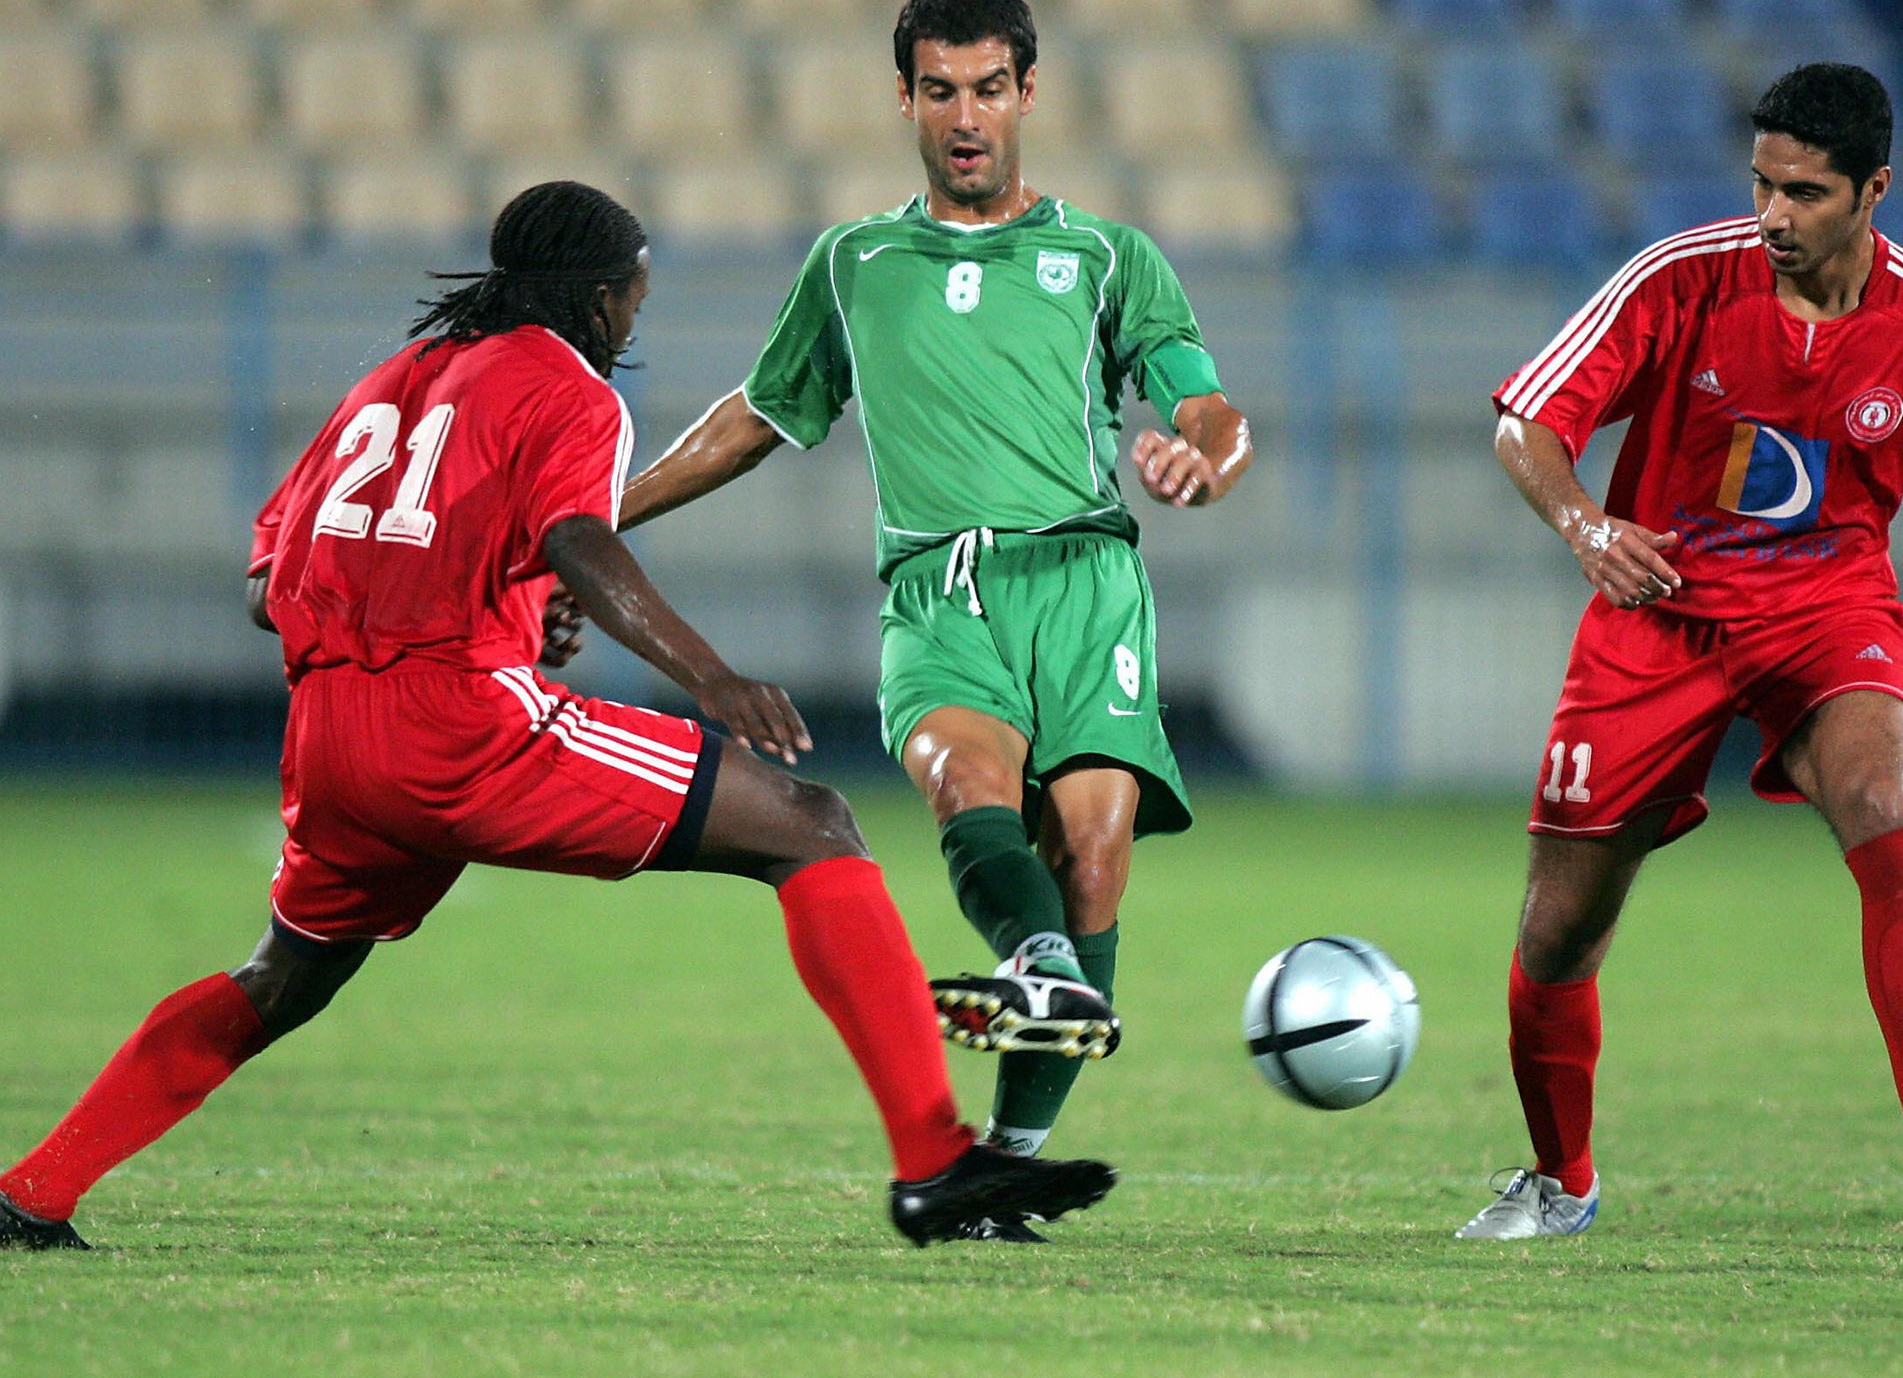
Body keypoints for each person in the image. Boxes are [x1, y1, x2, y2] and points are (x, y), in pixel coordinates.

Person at [0, 181, 1115, 1253]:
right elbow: (578, 540)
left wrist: (500, 606)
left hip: (331, 734)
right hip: (458, 728)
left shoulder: (389, 380)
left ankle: (32, 1192)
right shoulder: (571, 389)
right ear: (597, 296)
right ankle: (933, 1161)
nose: (638, 311)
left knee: (279, 980)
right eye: (634, 291)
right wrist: (706, 674)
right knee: (811, 822)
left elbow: (267, 590)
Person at [617, 0, 1251, 1240]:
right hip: (940, 588)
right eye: (941, 90)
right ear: (903, 97)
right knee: (966, 791)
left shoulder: (1104, 257)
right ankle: (1044, 970)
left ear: (1028, 94)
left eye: (991, 89)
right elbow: (756, 416)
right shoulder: (851, 262)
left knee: (1092, 854)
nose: (967, 116)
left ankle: (1003, 1164)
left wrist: (1204, 458)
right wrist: (599, 518)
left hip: (1083, 584)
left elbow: (1204, 404)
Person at [1458, 65, 1903, 1247]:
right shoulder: (1680, 280)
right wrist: (1585, 524)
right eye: (1761, 185)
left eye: (1806, 193)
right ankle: (1559, 1179)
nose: (1773, 215)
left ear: (1872, 190)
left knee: (1882, 800)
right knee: (1557, 929)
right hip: (1659, 613)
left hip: (1828, 609)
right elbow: (1527, 420)